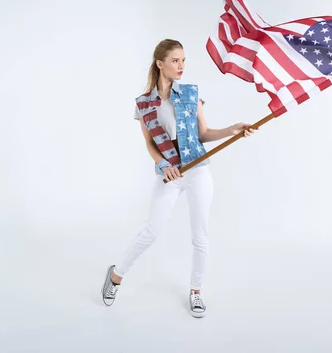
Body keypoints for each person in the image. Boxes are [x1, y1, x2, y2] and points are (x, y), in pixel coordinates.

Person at [101, 39, 257, 318]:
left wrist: (232, 130)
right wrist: (162, 166)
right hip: (171, 172)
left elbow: (204, 134)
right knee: (152, 230)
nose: (181, 65)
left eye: (184, 60)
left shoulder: (191, 94)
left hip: (196, 168)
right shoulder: (144, 103)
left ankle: (196, 292)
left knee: (201, 235)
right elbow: (150, 144)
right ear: (160, 64)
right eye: (175, 60)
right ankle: (115, 276)